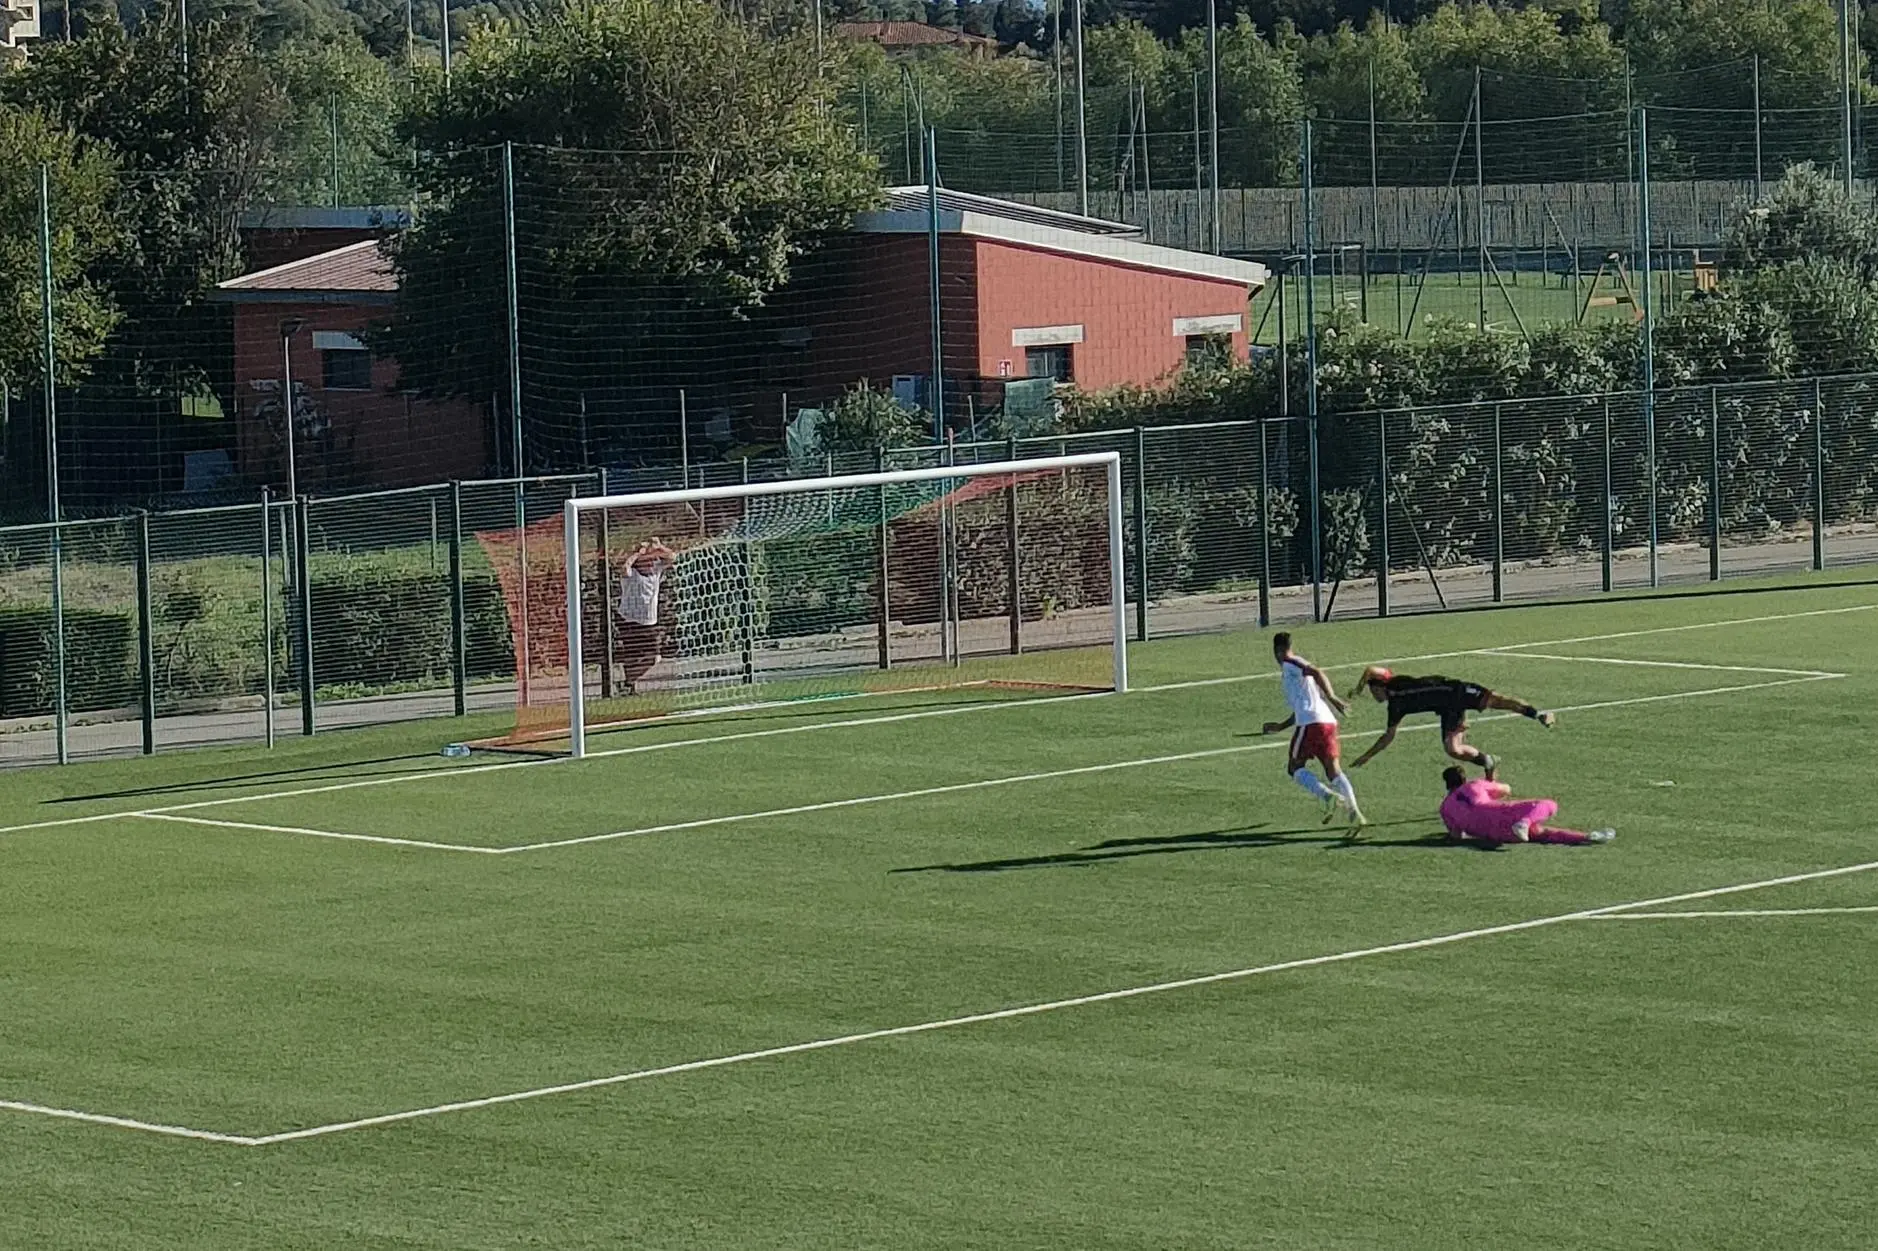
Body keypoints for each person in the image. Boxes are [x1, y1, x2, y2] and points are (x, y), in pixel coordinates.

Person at [1345, 666, 1557, 776]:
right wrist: (1367, 757)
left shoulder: (1392, 681)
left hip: (1456, 690)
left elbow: (1371, 669)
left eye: (1374, 692)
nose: (1375, 697)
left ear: (1379, 686)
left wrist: (1358, 688)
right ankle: (1489, 761)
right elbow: (1388, 737)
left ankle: (1538, 714)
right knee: (1453, 749)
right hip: (1447, 709)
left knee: (1497, 701)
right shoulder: (1395, 707)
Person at [1261, 632, 1366, 829]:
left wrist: (1333, 697)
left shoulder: (1290, 663)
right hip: (1327, 723)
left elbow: (1317, 672)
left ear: (1277, 651)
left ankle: (1327, 796)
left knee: (1294, 768)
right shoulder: (1296, 674)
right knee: (1333, 770)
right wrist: (1280, 726)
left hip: (1310, 725)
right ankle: (1355, 811)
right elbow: (1303, 706)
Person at [1439, 767, 1614, 845]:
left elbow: (1456, 835)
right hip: (1498, 813)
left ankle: (1587, 837)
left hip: (1492, 834)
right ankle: (1524, 822)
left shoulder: (1445, 807)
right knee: (1548, 805)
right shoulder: (1473, 785)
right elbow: (1506, 789)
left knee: (1541, 833)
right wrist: (1491, 779)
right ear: (1464, 778)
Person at [615, 538, 676, 693]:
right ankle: (629, 687)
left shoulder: (656, 571)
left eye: (653, 559)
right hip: (629, 620)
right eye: (648, 560)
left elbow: (672, 557)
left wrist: (659, 546)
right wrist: (637, 553)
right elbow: (625, 567)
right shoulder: (632, 574)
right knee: (632, 656)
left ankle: (628, 682)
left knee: (654, 658)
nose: (652, 562)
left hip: (649, 622)